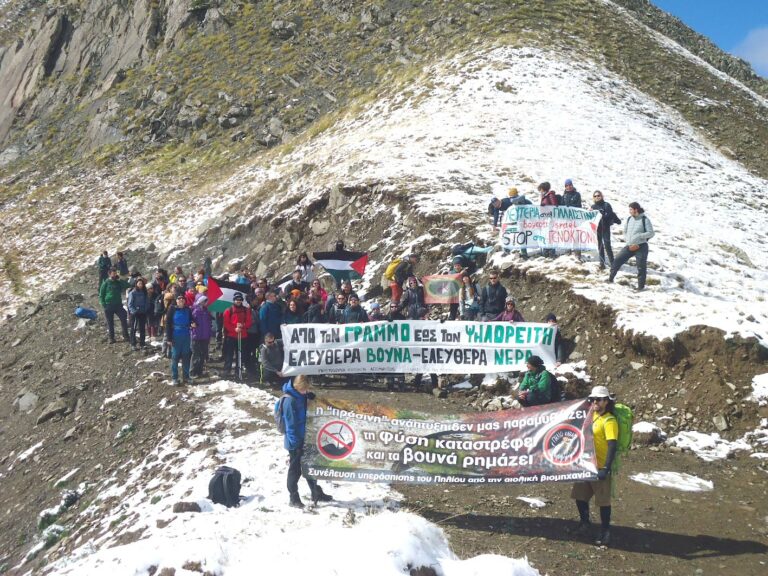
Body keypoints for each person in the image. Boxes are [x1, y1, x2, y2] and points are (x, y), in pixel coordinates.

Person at [571, 385, 618, 546]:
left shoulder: (609, 421)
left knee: (603, 502)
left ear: (606, 401)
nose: (595, 402)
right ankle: (585, 523)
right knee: (580, 496)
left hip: (600, 466)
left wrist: (606, 467)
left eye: (598, 399)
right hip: (586, 464)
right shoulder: (592, 415)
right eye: (592, 399)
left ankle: (605, 531)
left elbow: (612, 445)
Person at [280, 375, 332, 508]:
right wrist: (296, 443)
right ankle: (293, 497)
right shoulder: (289, 401)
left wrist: (310, 397)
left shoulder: (301, 395)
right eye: (305, 389)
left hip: (306, 437)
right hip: (295, 442)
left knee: (310, 467)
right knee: (295, 470)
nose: (306, 391)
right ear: (298, 386)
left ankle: (316, 492)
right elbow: (290, 426)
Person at [607, 202, 655, 291]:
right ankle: (610, 279)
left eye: (631, 209)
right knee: (617, 260)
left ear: (636, 209)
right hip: (629, 246)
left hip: (641, 247)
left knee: (641, 267)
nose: (629, 211)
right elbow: (625, 230)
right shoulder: (629, 219)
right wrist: (628, 240)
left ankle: (640, 287)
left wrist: (639, 236)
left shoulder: (645, 219)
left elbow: (651, 233)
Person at [222, 292, 252, 377]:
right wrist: (234, 329)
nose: (238, 301)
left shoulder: (246, 310)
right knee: (229, 354)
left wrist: (243, 326)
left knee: (241, 354)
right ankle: (226, 370)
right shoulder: (229, 310)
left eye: (240, 300)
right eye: (236, 300)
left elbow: (249, 322)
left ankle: (238, 370)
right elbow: (226, 323)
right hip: (231, 336)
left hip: (243, 336)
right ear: (234, 300)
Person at [166, 294, 193, 386]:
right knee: (175, 357)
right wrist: (169, 338)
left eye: (183, 298)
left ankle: (186, 377)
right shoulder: (172, 309)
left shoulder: (188, 309)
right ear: (176, 300)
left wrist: (193, 323)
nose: (181, 300)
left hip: (186, 335)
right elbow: (168, 324)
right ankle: (175, 377)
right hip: (176, 335)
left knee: (186, 356)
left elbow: (191, 320)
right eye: (179, 298)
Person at [99, 267, 131, 344]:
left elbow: (127, 285)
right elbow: (101, 294)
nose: (115, 274)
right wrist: (104, 305)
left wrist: (119, 279)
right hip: (109, 305)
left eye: (116, 273)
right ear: (109, 274)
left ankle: (126, 336)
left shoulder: (118, 282)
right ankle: (111, 338)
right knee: (110, 322)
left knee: (123, 318)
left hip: (118, 305)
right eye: (113, 273)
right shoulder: (106, 283)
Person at [591, 191, 620, 270]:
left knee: (607, 246)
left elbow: (609, 215)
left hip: (605, 228)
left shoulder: (606, 205)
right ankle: (602, 263)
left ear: (602, 196)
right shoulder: (593, 206)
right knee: (600, 246)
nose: (597, 197)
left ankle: (612, 263)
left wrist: (602, 215)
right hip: (597, 229)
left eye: (598, 195)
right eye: (595, 196)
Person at [191, 294, 212, 379]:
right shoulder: (194, 311)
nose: (205, 302)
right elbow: (190, 323)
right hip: (196, 336)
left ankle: (199, 372)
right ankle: (192, 372)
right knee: (196, 355)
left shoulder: (206, 311)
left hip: (205, 336)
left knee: (203, 355)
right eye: (203, 301)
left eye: (205, 301)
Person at [127, 277, 150, 350]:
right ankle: (133, 343)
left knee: (142, 328)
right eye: (139, 283)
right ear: (136, 284)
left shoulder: (144, 292)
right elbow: (130, 304)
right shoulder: (132, 293)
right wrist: (134, 311)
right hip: (135, 313)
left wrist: (145, 309)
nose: (140, 285)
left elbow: (147, 302)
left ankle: (142, 343)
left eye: (141, 284)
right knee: (133, 328)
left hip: (143, 312)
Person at [539, 183, 558, 258]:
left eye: (541, 189)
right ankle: (546, 251)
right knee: (545, 234)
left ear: (544, 189)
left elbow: (554, 206)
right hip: (545, 219)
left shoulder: (550, 195)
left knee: (550, 235)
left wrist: (546, 209)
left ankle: (551, 252)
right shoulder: (544, 196)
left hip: (550, 218)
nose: (540, 191)